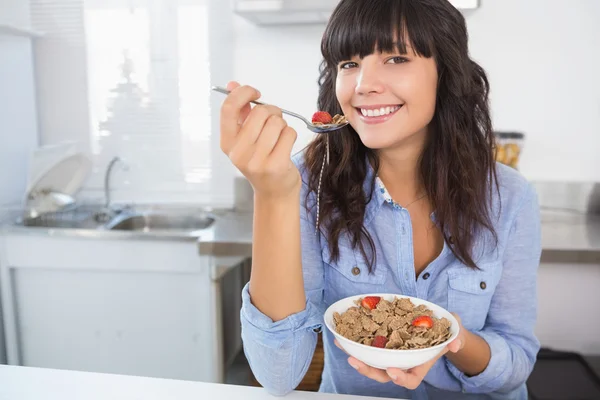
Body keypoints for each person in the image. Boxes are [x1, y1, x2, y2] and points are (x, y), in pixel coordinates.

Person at [218, 0, 541, 399]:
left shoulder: (509, 197)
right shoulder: (304, 184)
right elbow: (279, 374)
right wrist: (272, 196)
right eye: (348, 63)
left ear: (447, 73)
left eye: (396, 58)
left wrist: (451, 340)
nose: (362, 85)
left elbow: (517, 362)